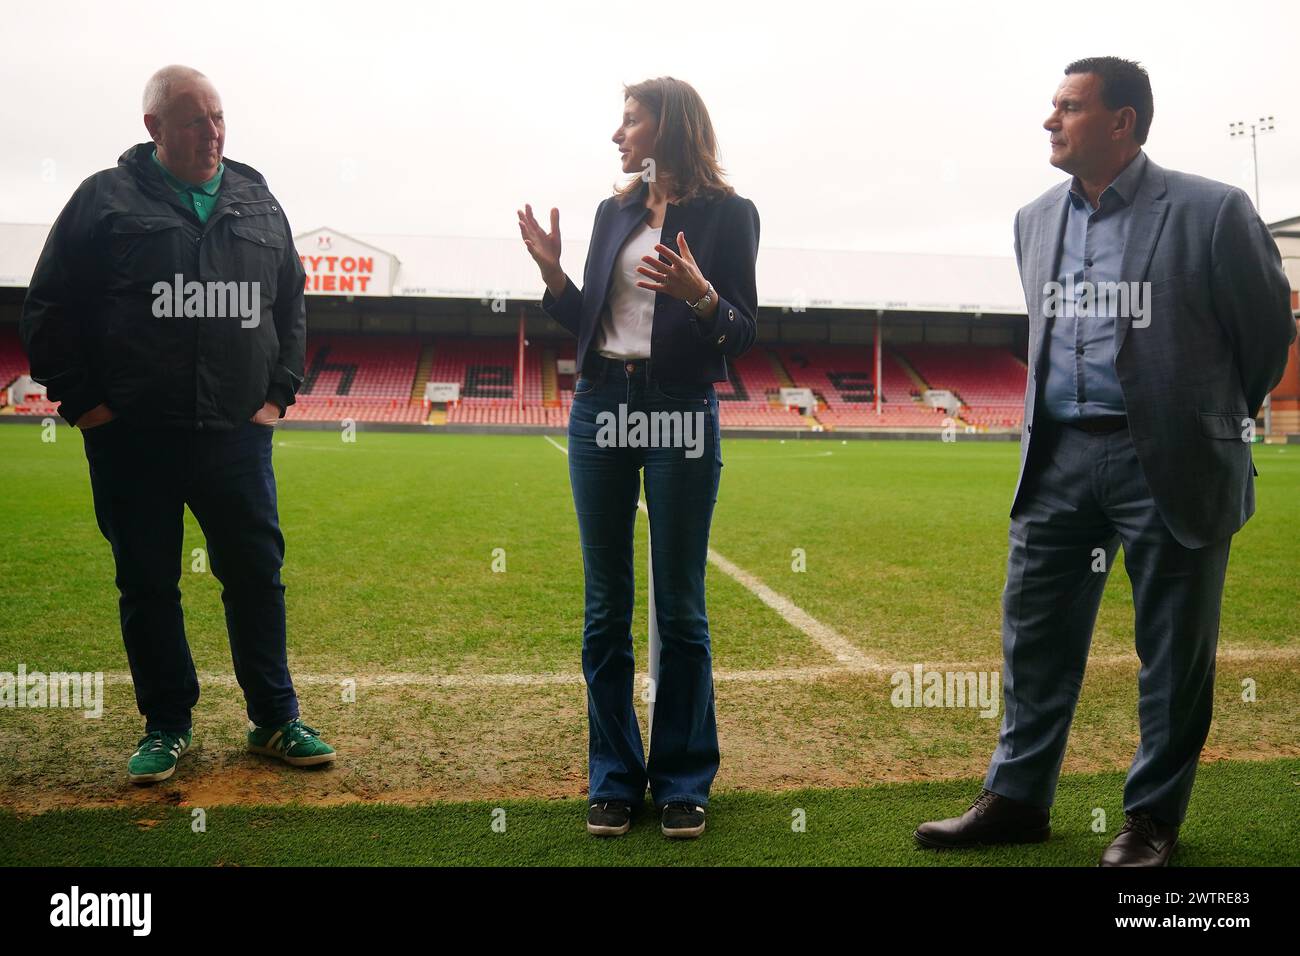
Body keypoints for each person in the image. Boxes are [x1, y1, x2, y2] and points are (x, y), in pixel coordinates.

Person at [914, 56, 1295, 866]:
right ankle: (1017, 798)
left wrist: (1211, 420)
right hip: (1057, 457)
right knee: (1034, 637)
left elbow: (1267, 335)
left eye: (1070, 107)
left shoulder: (1213, 210)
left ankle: (1152, 818)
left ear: (1122, 121)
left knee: (1173, 647)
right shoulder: (1033, 220)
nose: (1050, 120)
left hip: (1170, 457)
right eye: (1053, 106)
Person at [20, 65, 335, 784]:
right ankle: (168, 724)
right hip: (134, 439)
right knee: (148, 583)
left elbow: (290, 302)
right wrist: (87, 406)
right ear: (154, 128)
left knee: (256, 576)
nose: (212, 132)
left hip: (236, 436)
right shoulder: (103, 200)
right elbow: (48, 306)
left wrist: (277, 396)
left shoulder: (257, 198)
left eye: (219, 116)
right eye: (194, 119)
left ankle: (274, 719)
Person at [518, 76, 759, 839]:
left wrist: (702, 297)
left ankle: (685, 778)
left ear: (670, 127)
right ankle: (615, 777)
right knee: (604, 607)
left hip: (680, 408)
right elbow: (591, 320)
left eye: (631, 120)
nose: (618, 135)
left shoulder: (729, 214)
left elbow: (743, 330)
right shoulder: (611, 211)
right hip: (600, 407)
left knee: (681, 609)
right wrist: (557, 277)